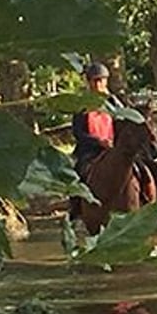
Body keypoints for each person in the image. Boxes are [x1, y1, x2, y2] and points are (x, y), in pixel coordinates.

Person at [69, 62, 123, 219]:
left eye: (101, 80)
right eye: (95, 81)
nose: (98, 85)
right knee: (78, 174)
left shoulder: (114, 103)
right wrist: (98, 142)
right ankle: (76, 208)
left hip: (114, 148)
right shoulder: (81, 105)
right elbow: (78, 132)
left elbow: (124, 121)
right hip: (91, 151)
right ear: (89, 82)